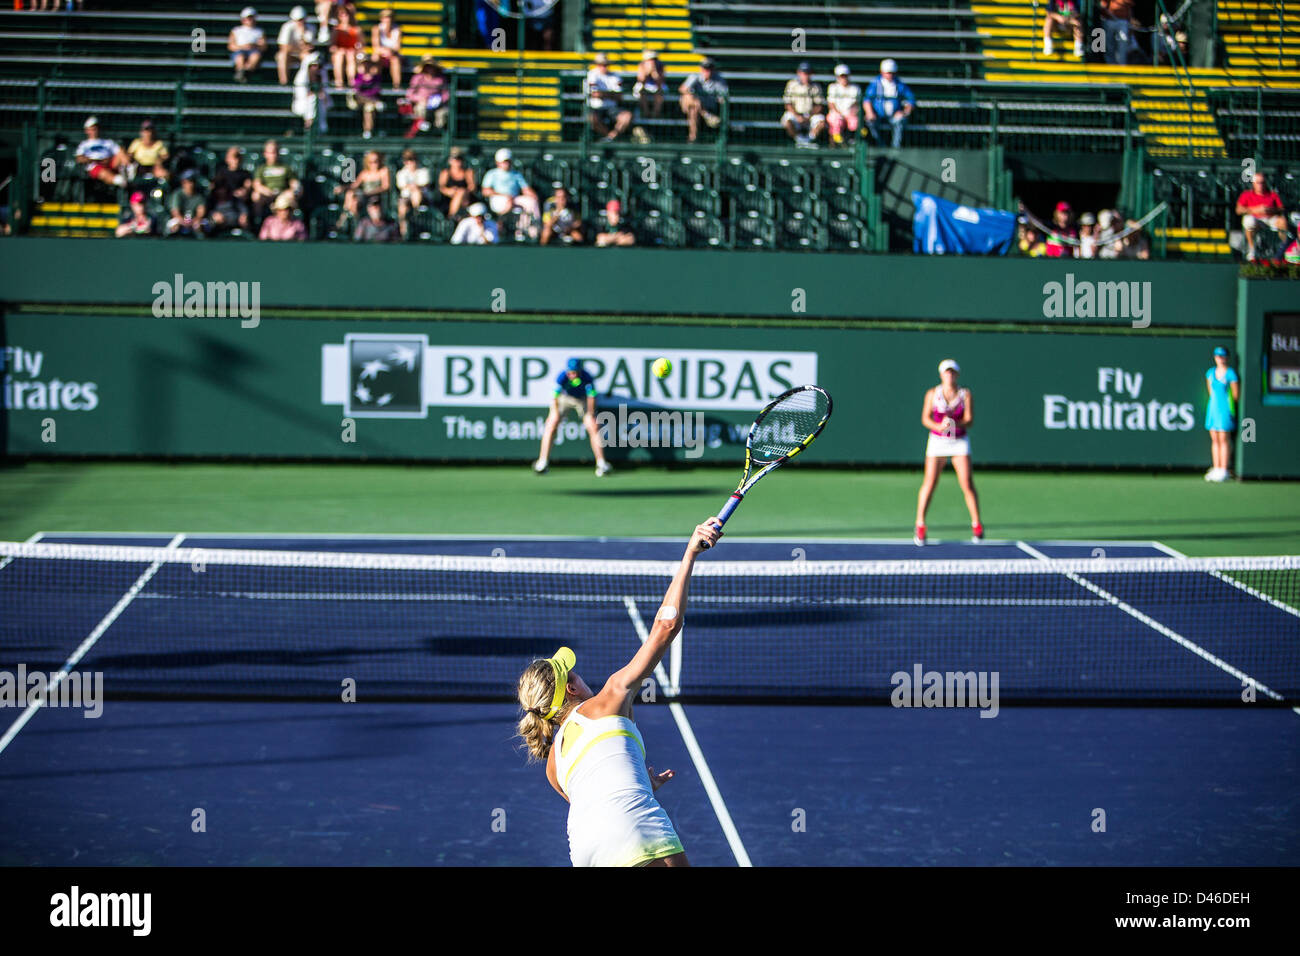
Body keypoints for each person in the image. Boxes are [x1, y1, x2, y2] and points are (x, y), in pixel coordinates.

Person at [516, 517, 722, 867]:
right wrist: (690, 553)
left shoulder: (553, 766)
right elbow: (666, 626)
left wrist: (641, 780)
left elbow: (597, 798)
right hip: (635, 828)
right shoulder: (608, 698)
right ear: (571, 688)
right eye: (574, 672)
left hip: (585, 849)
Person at [914, 359, 982, 545]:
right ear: (941, 374)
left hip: (959, 441)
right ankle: (920, 524)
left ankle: (977, 525)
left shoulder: (965, 394)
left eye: (952, 372)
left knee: (967, 483)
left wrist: (954, 424)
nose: (949, 375)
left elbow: (969, 420)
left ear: (957, 375)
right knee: (930, 482)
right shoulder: (932, 393)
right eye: (946, 372)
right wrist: (939, 425)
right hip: (937, 441)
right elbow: (925, 419)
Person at [533, 358, 612, 476]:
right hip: (565, 399)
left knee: (594, 426)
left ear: (580, 371)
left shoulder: (587, 377)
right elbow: (555, 396)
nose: (572, 375)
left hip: (582, 400)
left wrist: (590, 413)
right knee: (551, 424)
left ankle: (601, 464)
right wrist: (555, 412)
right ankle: (542, 462)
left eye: (575, 372)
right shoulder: (562, 377)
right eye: (570, 372)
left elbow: (591, 397)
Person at [481, 147, 540, 237]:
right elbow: (485, 191)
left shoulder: (516, 174)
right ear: (498, 162)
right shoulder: (491, 174)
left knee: (531, 202)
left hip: (514, 198)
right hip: (498, 199)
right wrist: (505, 196)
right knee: (509, 203)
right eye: (504, 161)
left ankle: (529, 232)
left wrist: (534, 196)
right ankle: (499, 224)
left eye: (508, 161)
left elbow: (525, 189)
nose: (506, 164)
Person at [863, 59, 914, 149]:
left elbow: (910, 99)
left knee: (900, 121)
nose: (890, 75)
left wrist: (904, 112)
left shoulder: (900, 84)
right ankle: (879, 145)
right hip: (877, 115)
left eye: (892, 73)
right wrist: (870, 113)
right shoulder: (875, 84)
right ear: (882, 72)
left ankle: (895, 148)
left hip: (894, 115)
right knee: (870, 121)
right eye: (888, 73)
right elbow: (867, 100)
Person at [1236, 172, 1286, 262]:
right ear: (1253, 184)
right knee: (1248, 221)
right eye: (1258, 183)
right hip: (1256, 219)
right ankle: (1252, 250)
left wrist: (1270, 210)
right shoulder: (1246, 194)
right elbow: (1239, 210)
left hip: (1270, 218)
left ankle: (1284, 249)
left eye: (1262, 182)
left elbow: (1281, 208)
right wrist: (1255, 210)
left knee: (1283, 221)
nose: (1260, 185)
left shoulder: (1272, 194)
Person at [679, 58, 727, 144]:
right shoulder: (694, 77)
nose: (707, 71)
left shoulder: (719, 80)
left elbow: (723, 97)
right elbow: (682, 89)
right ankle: (706, 115)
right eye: (705, 68)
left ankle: (693, 137)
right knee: (688, 96)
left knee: (694, 110)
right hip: (690, 104)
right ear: (701, 69)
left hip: (706, 106)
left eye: (710, 68)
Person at [587, 53, 633, 142]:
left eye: (605, 65)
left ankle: (610, 138)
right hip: (596, 108)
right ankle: (609, 137)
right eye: (601, 65)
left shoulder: (615, 76)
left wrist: (603, 94)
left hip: (613, 108)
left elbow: (619, 96)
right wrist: (611, 95)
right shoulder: (592, 74)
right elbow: (595, 94)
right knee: (592, 118)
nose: (604, 67)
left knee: (627, 116)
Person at [251, 139, 300, 223]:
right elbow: (257, 185)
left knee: (292, 195)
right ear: (265, 154)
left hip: (283, 195)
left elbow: (295, 184)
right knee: (256, 195)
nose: (274, 155)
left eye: (276, 152)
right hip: (267, 195)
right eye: (271, 152)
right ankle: (257, 223)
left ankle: (292, 224)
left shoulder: (286, 167)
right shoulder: (261, 168)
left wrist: (292, 191)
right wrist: (267, 192)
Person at [208, 146, 253, 235]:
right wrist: (214, 213)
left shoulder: (245, 174)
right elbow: (212, 191)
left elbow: (248, 186)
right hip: (221, 206)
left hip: (237, 204)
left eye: (238, 157)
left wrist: (244, 191)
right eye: (234, 157)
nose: (236, 160)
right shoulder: (221, 173)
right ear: (227, 159)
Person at [781, 61, 826, 148]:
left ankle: (809, 140)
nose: (806, 75)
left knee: (821, 122)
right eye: (804, 73)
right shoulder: (791, 85)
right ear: (798, 73)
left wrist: (808, 116)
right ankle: (799, 140)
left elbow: (819, 105)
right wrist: (797, 116)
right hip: (796, 114)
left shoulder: (816, 86)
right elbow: (788, 104)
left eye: (808, 73)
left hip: (810, 115)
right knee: (787, 121)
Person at [403, 56, 449, 137]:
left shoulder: (440, 79)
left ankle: (437, 133)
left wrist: (439, 100)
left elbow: (446, 93)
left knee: (443, 113)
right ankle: (422, 131)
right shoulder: (417, 78)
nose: (429, 69)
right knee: (421, 109)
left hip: (438, 105)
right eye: (427, 67)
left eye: (431, 67)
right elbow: (409, 94)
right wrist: (420, 99)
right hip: (421, 103)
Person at [75, 116, 126, 189]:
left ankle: (129, 172)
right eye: (91, 129)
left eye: (95, 128)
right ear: (87, 130)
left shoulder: (108, 142)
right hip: (95, 166)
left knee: (121, 151)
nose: (94, 131)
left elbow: (119, 152)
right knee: (102, 171)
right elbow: (79, 158)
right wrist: (96, 160)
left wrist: (108, 160)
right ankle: (120, 181)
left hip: (110, 163)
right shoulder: (84, 144)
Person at [292, 50, 331, 133]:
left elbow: (325, 93)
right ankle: (310, 126)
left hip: (320, 104)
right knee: (313, 99)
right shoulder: (301, 77)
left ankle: (320, 128)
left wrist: (320, 96)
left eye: (318, 66)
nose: (316, 68)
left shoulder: (322, 75)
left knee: (318, 100)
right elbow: (301, 95)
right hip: (302, 105)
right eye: (314, 65)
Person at [395, 148, 430, 239]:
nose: (410, 163)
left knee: (416, 193)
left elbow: (423, 184)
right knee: (402, 207)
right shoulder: (401, 173)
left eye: (412, 160)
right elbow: (402, 185)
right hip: (406, 198)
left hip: (423, 198)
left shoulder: (423, 171)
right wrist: (414, 186)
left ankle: (416, 215)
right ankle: (404, 232)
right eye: (407, 160)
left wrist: (412, 186)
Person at [1099, 0, 1145, 65]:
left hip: (1123, 21)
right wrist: (1109, 15)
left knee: (1123, 42)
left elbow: (1129, 5)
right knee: (1109, 43)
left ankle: (1122, 64)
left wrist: (1129, 21)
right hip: (1109, 20)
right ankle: (1110, 64)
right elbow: (1103, 5)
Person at [277, 5, 314, 85]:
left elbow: (309, 47)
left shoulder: (311, 27)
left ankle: (307, 84)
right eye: (298, 20)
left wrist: (302, 33)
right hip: (291, 55)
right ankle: (284, 83)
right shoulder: (286, 27)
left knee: (308, 57)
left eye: (301, 19)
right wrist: (301, 48)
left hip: (301, 54)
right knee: (282, 56)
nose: (300, 22)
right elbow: (283, 48)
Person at [228, 7, 266, 82]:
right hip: (239, 51)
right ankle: (243, 74)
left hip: (254, 51)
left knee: (255, 56)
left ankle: (244, 74)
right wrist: (243, 47)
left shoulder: (260, 31)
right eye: (248, 18)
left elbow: (264, 46)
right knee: (240, 57)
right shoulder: (236, 30)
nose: (250, 20)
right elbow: (231, 46)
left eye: (252, 18)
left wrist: (253, 46)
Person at [825, 64, 861, 146]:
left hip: (849, 114)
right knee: (836, 120)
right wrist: (839, 114)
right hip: (837, 114)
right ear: (837, 77)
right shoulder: (832, 87)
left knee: (855, 121)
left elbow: (856, 104)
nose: (844, 78)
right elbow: (831, 104)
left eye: (845, 76)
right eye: (841, 76)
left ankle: (851, 141)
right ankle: (836, 143)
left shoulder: (855, 88)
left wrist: (851, 112)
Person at [436, 148, 476, 219]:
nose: (457, 162)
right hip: (448, 199)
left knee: (461, 192)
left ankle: (451, 217)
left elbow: (472, 187)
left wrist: (462, 192)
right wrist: (450, 191)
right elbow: (441, 187)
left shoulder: (468, 172)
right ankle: (453, 216)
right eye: (454, 159)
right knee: (458, 194)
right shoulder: (445, 173)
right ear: (450, 161)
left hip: (466, 199)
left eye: (459, 159)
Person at [167, 169, 206, 237]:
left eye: (192, 182)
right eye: (188, 182)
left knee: (200, 225)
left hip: (194, 220)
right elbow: (175, 212)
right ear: (183, 183)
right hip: (179, 219)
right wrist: (183, 222)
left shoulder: (199, 196)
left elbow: (201, 213)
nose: (190, 184)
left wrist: (193, 221)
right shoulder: (177, 194)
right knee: (174, 226)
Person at [353, 53, 385, 139]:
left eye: (368, 63)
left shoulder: (375, 77)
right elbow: (357, 92)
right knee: (370, 105)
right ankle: (367, 131)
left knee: (369, 108)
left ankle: (368, 131)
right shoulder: (357, 76)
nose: (366, 66)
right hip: (358, 100)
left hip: (371, 100)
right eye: (364, 64)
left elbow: (376, 90)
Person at [370, 8, 403, 88]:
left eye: (389, 17)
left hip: (392, 55)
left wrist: (390, 51)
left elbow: (397, 47)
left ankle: (397, 85)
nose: (388, 20)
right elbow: (376, 47)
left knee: (395, 60)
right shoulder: (376, 29)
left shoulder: (398, 30)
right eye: (385, 17)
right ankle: (374, 84)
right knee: (376, 58)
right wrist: (385, 51)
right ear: (381, 19)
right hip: (381, 54)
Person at [331, 5, 362, 89]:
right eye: (342, 14)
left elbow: (361, 45)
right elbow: (332, 46)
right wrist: (340, 50)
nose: (344, 16)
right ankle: (339, 82)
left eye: (346, 14)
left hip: (352, 53)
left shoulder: (356, 29)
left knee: (351, 56)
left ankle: (351, 82)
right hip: (340, 53)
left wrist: (355, 50)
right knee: (339, 56)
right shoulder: (336, 29)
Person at [634, 49, 667, 122]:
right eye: (650, 59)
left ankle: (655, 114)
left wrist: (654, 72)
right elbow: (641, 81)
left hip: (657, 87)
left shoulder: (660, 66)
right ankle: (646, 112)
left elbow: (660, 82)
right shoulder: (641, 65)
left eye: (654, 59)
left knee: (659, 93)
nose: (652, 61)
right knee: (642, 92)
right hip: (645, 86)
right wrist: (647, 72)